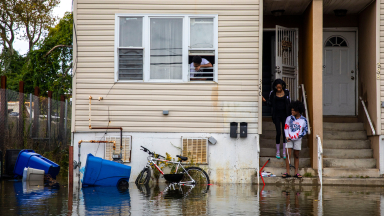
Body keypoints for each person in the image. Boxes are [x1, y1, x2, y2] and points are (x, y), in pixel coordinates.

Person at [262, 79, 291, 159]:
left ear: (282, 86)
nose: (278, 89)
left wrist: (291, 114)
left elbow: (289, 103)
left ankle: (284, 152)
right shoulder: (272, 93)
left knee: (285, 133)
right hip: (276, 115)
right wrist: (265, 101)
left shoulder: (287, 92)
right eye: (277, 87)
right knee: (278, 132)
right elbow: (270, 104)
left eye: (280, 87)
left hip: (285, 115)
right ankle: (278, 151)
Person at [282, 100, 308, 179]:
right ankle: (288, 172)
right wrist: (286, 136)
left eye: (293, 110)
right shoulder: (289, 118)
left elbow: (305, 130)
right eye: (291, 109)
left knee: (296, 155)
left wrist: (300, 135)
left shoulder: (303, 120)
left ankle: (296, 172)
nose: (292, 111)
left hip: (297, 139)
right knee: (288, 155)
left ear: (298, 110)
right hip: (289, 139)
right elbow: (286, 127)